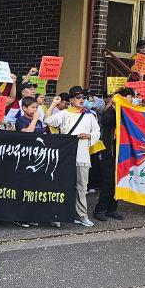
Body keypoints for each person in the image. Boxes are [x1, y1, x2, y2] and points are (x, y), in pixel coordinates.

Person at [45, 86, 102, 228]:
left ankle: (81, 215)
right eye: (78, 97)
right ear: (71, 100)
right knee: (62, 186)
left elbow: (97, 132)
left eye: (83, 97)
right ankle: (57, 214)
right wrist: (53, 104)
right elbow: (47, 121)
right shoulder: (64, 114)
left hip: (82, 156)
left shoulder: (90, 115)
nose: (81, 100)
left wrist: (88, 136)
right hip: (66, 157)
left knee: (81, 188)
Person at [93, 87, 133, 221]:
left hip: (121, 152)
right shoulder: (111, 111)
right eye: (128, 97)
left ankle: (112, 209)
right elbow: (105, 121)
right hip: (108, 151)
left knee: (117, 181)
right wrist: (114, 107)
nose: (131, 100)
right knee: (108, 182)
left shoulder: (127, 112)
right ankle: (99, 209)